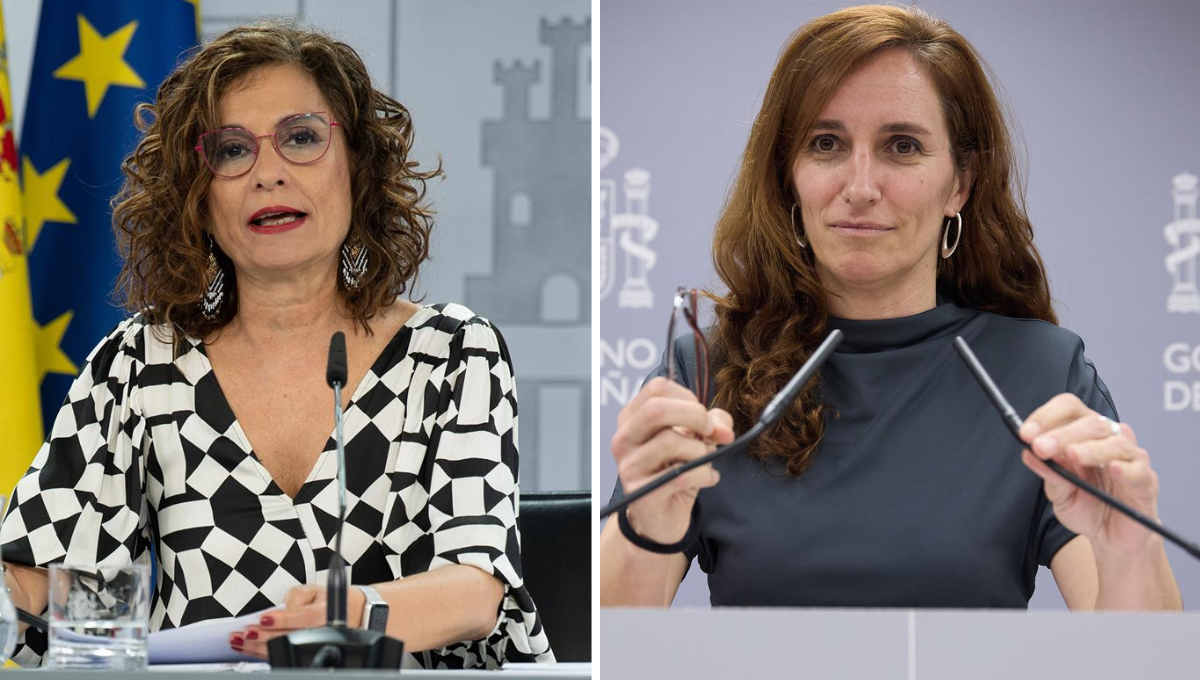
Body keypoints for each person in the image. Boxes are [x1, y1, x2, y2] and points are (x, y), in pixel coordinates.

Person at [0, 22, 553, 668]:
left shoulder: (453, 353)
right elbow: (43, 578)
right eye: (232, 150)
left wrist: (355, 615)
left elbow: (477, 586)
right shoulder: (142, 364)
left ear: (358, 168)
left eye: (302, 138)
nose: (268, 174)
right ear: (198, 197)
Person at [600, 5, 1182, 611]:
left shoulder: (1041, 374)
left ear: (960, 183)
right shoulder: (707, 374)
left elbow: (1139, 655)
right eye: (826, 144)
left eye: (902, 146)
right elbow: (613, 642)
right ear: (788, 175)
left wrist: (1130, 548)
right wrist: (644, 523)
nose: (860, 187)